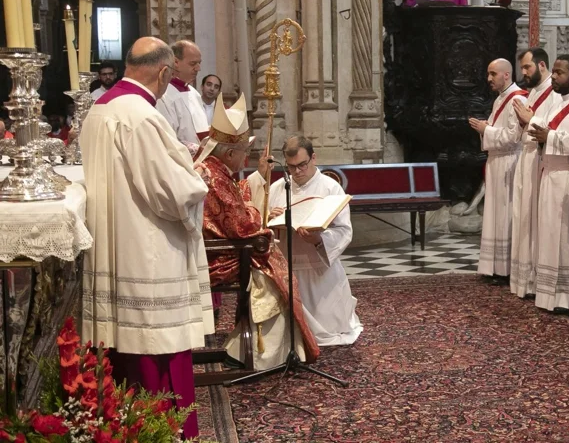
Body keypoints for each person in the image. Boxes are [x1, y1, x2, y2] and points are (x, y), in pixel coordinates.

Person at [80, 37, 213, 439]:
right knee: (158, 350)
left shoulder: (99, 110)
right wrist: (199, 181)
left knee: (125, 352)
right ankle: (167, 433)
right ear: (162, 72)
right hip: (148, 250)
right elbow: (172, 193)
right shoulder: (141, 115)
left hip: (115, 245)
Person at [194, 98, 323, 368]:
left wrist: (257, 184)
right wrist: (258, 213)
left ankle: (244, 345)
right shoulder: (215, 176)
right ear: (229, 154)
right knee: (275, 274)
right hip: (219, 258)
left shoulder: (212, 168)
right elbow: (243, 225)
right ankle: (264, 355)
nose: (247, 158)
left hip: (215, 249)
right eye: (244, 152)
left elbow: (234, 201)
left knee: (274, 260)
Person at [247, 135, 364, 347]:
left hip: (319, 266)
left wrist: (319, 239)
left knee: (329, 330)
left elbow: (344, 230)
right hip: (287, 263)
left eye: (302, 165)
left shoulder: (330, 188)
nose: (297, 172)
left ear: (314, 158)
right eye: (291, 167)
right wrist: (269, 218)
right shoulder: (277, 188)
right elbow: (255, 220)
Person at [530, 55, 569, 312]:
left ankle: (566, 297)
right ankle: (548, 294)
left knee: (565, 236)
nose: (553, 76)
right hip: (550, 173)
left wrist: (550, 136)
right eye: (553, 72)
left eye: (559, 72)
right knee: (548, 232)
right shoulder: (557, 102)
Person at [470, 59, 526, 279]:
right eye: (488, 73)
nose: (489, 79)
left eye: (493, 74)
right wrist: (487, 129)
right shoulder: (501, 99)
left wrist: (487, 130)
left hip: (509, 162)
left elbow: (514, 137)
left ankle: (506, 268)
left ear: (506, 75)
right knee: (495, 214)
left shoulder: (518, 99)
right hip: (497, 161)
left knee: (506, 213)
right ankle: (495, 266)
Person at [510, 47, 558, 297]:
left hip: (540, 158)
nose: (524, 73)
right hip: (525, 156)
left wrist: (530, 119)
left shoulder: (555, 92)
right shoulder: (533, 92)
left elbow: (551, 126)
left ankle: (535, 279)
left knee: (533, 217)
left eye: (527, 67)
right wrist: (523, 122)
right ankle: (523, 278)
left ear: (541, 65)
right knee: (523, 215)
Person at [156, 40, 210, 153]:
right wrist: (196, 149)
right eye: (193, 63)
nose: (198, 68)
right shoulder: (163, 95)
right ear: (175, 62)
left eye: (199, 63)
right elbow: (166, 138)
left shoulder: (194, 93)